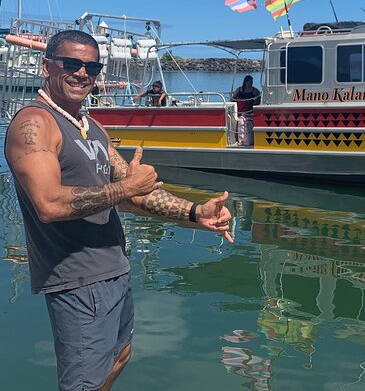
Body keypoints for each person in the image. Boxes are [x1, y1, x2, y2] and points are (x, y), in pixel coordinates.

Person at [4, 30, 235, 391]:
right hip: (78, 280)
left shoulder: (92, 127)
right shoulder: (35, 124)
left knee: (118, 356)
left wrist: (195, 213)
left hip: (114, 269)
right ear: (47, 66)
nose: (83, 73)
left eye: (92, 66)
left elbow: (130, 195)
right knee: (83, 383)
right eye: (72, 64)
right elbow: (48, 203)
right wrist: (125, 187)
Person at [232, 75, 261, 145]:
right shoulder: (239, 90)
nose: (251, 83)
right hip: (240, 111)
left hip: (249, 111)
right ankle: (241, 140)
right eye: (250, 82)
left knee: (248, 122)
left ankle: (247, 140)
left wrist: (255, 105)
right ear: (246, 82)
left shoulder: (254, 91)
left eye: (252, 82)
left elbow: (259, 97)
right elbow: (233, 99)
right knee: (241, 121)